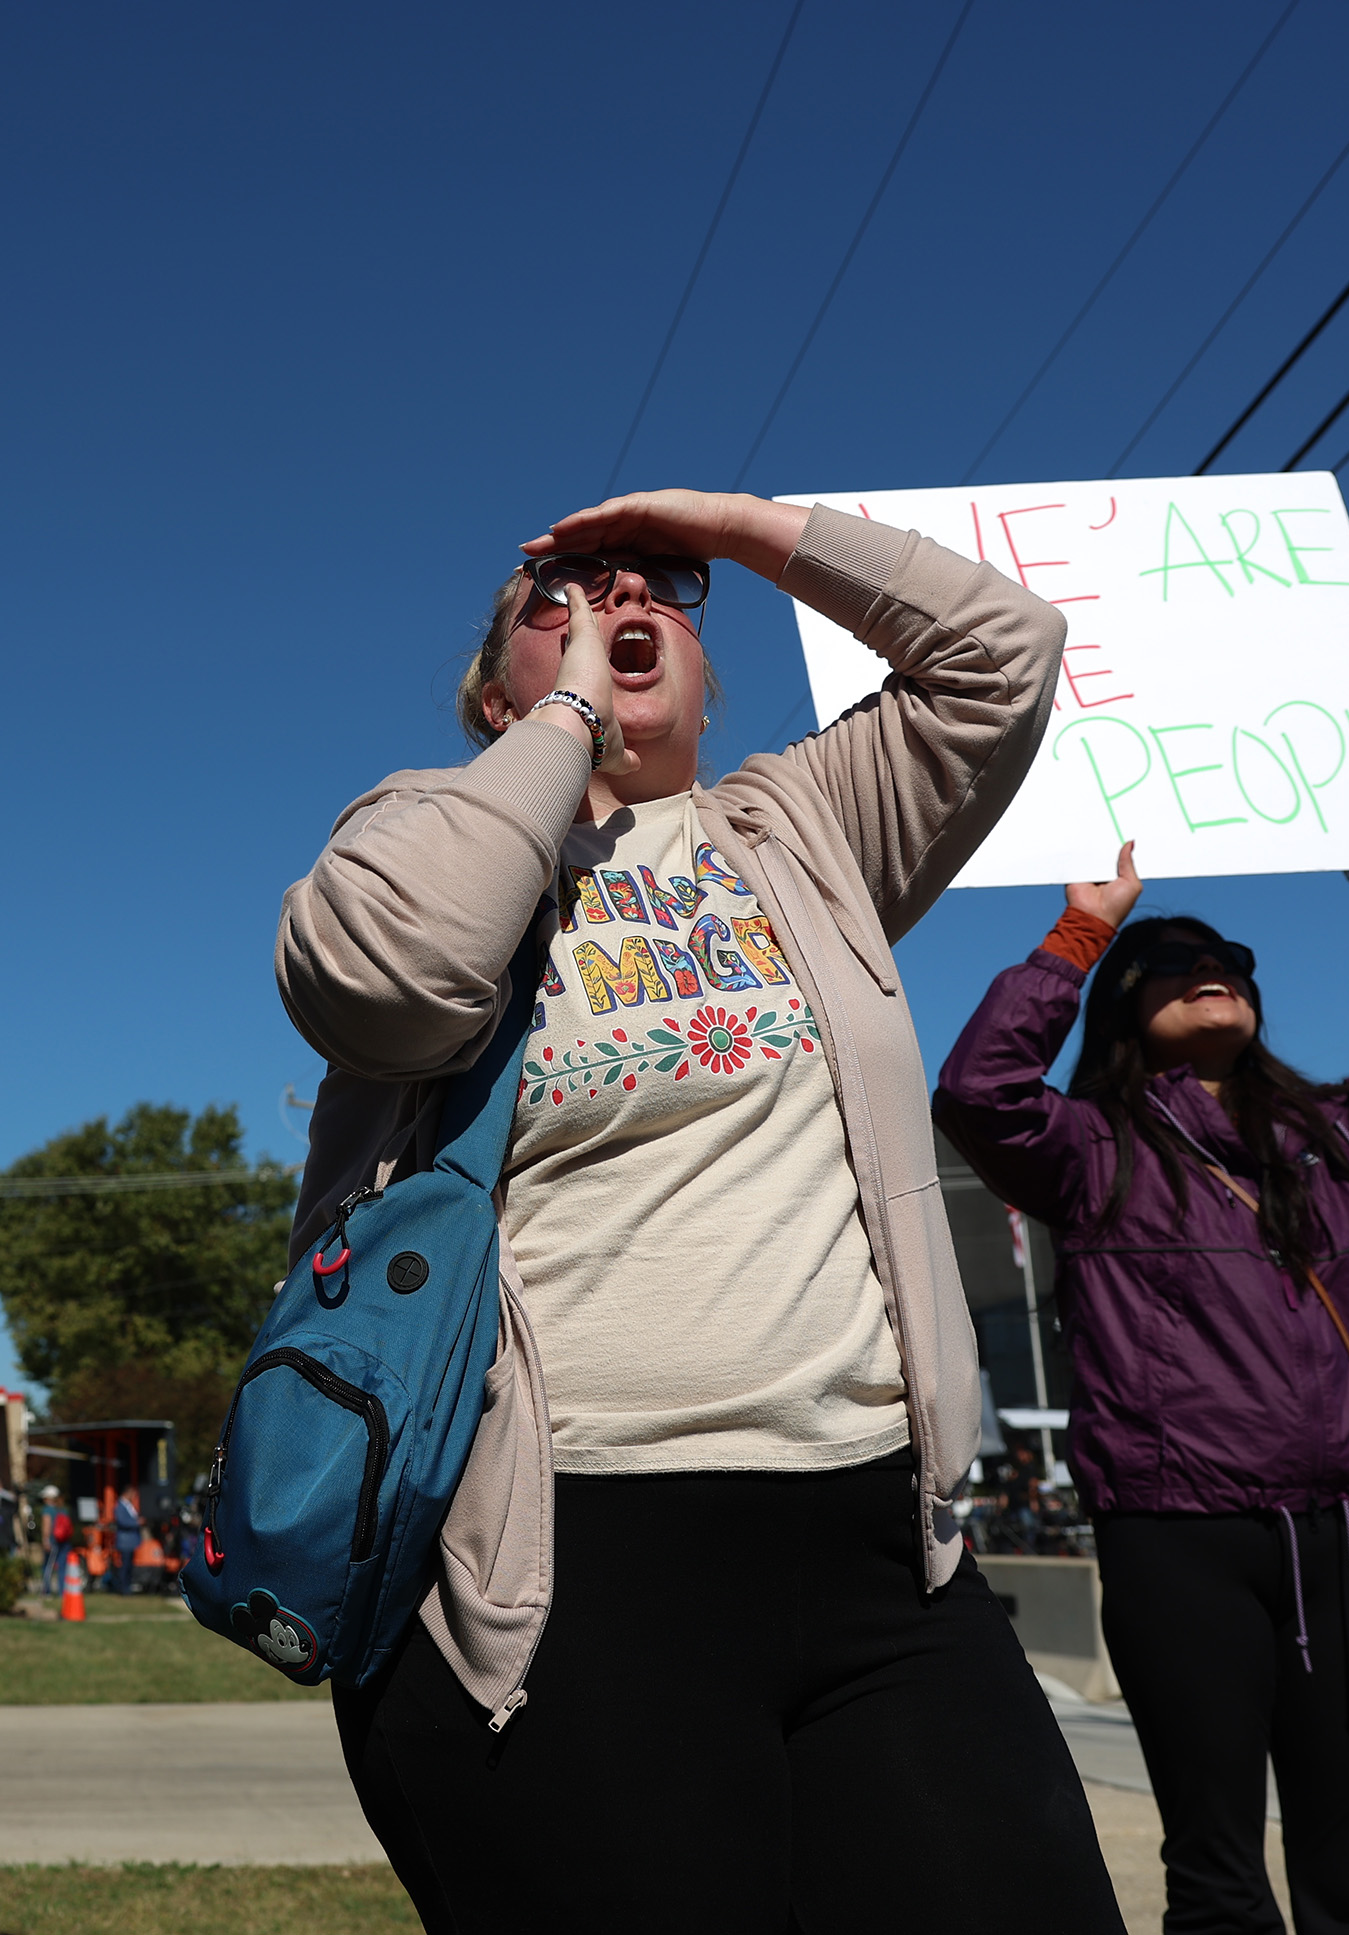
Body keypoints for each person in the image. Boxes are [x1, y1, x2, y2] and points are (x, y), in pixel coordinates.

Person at [279, 487, 1119, 1927]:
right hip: (565, 1561)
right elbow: (392, 982)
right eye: (558, 597)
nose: (619, 605)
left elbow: (1005, 651)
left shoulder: (801, 825)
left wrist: (734, 529)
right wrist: (558, 739)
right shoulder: (416, 828)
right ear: (492, 691)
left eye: (657, 588)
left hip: (877, 1542)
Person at [933, 809, 1349, 1935]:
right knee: (1215, 1866)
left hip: (1339, 1533)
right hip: (1177, 1539)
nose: (1210, 973)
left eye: (1229, 964)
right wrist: (1078, 936)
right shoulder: (1092, 1150)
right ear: (1127, 1005)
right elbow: (978, 1094)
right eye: (1175, 966)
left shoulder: (1341, 1133)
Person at [37, 1486, 70, 1596]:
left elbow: (47, 1526)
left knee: (47, 1566)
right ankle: (63, 1592)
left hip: (53, 1541)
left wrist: (45, 1540)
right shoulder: (63, 1509)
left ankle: (46, 1591)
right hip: (64, 1541)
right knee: (62, 1567)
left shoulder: (47, 1510)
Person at [109, 1491, 143, 1594]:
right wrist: (136, 1522)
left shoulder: (129, 1506)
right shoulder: (120, 1506)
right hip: (125, 1541)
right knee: (125, 1566)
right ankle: (123, 1588)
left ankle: (127, 1587)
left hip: (131, 1541)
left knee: (129, 1566)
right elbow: (122, 1521)